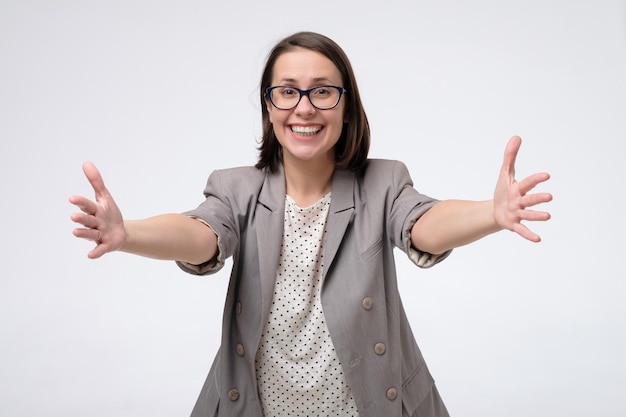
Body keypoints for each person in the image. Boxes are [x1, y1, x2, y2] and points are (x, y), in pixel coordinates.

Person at [69, 31, 552, 417]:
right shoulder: (235, 187)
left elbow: (423, 224)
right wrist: (127, 234)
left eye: (322, 91)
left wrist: (491, 214)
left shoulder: (383, 182)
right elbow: (199, 234)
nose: (304, 107)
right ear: (269, 106)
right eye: (287, 92)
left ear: (346, 106)